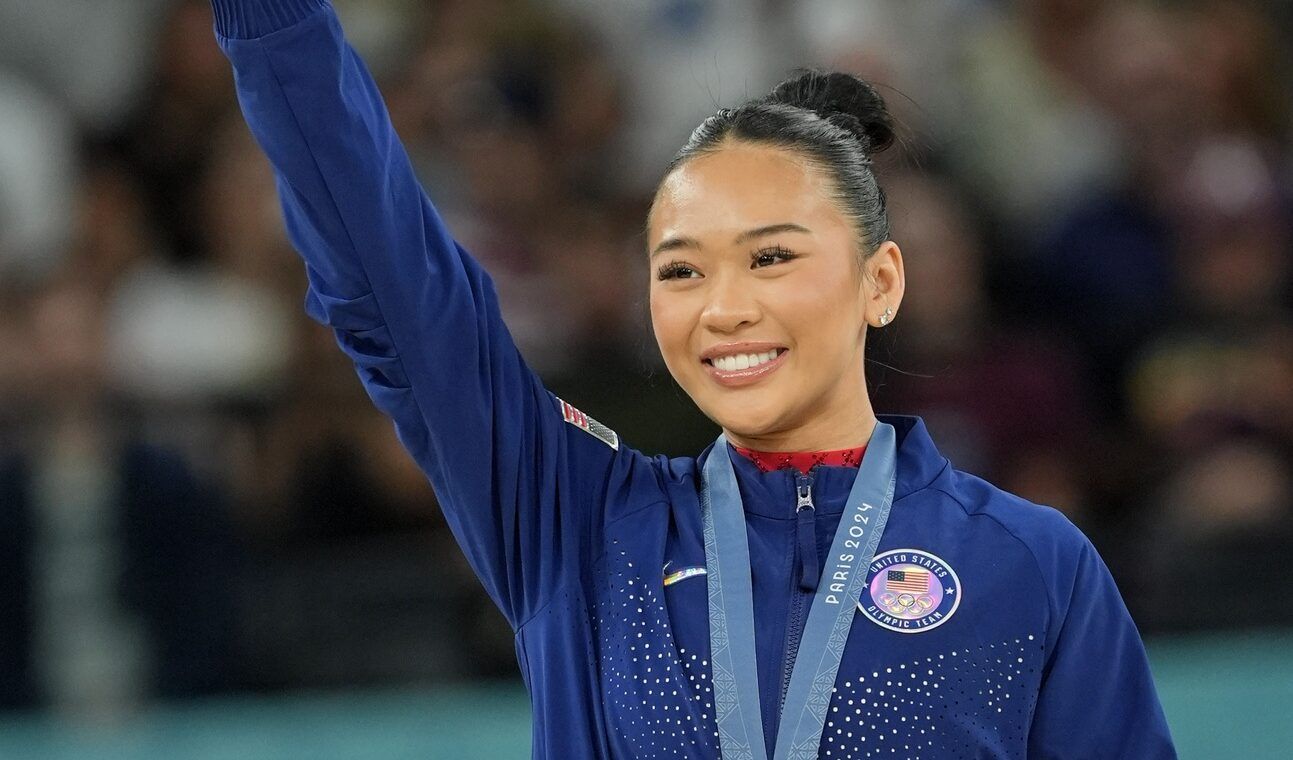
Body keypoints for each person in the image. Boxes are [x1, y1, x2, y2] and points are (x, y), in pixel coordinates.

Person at [209, 1, 1177, 757]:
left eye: (770, 259)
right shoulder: (580, 525)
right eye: (680, 268)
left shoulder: (1033, 565)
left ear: (879, 282)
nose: (722, 307)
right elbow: (391, 284)